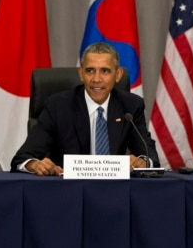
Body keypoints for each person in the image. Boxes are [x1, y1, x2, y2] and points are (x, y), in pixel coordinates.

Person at [11, 42, 160, 175]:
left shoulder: (131, 106)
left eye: (105, 71)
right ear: (81, 74)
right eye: (90, 71)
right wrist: (34, 164)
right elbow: (23, 158)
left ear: (118, 74)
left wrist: (142, 161)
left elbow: (149, 155)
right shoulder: (57, 106)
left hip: (115, 191)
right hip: (68, 192)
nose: (96, 79)